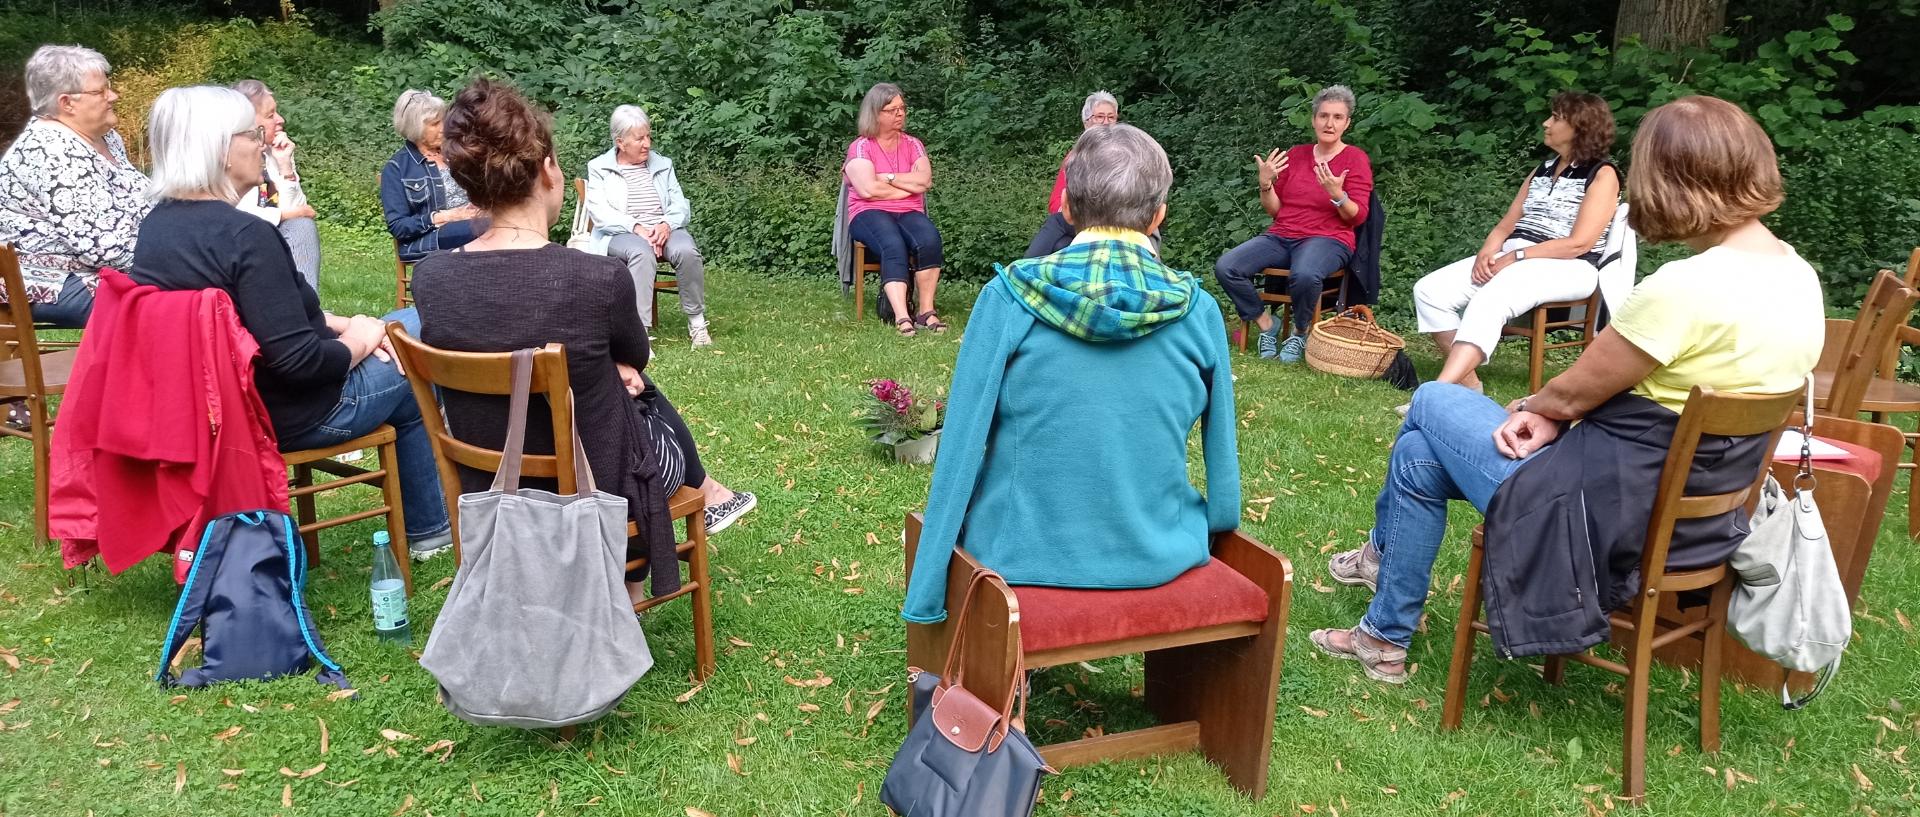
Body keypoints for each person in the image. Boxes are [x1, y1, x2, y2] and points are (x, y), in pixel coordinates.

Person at [1310, 95, 1824, 684]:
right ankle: (1382, 637)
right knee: (1418, 458)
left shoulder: (1685, 288)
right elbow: (1590, 397)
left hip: (1599, 518)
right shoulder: (1798, 275)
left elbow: (1573, 392)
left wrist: (1538, 408)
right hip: (1699, 521)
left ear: (1672, 181)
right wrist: (1554, 411)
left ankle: (1379, 564)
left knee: (1430, 402)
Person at [411, 78, 756, 606]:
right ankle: (649, 561)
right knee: (636, 386)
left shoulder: (431, 280)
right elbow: (636, 358)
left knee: (619, 379)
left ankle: (627, 577)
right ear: (547, 171)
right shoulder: (596, 279)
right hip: (597, 489)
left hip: (489, 485)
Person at [902, 123, 1239, 623]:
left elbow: (962, 447)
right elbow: (1222, 453)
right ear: (1159, 216)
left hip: (1017, 554)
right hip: (1162, 551)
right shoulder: (1199, 311)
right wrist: (1218, 522)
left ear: (1067, 210)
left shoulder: (1009, 299)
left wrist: (927, 594)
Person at [126, 85, 454, 560]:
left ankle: (430, 521)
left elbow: (251, 317)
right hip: (291, 413)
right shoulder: (245, 234)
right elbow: (302, 363)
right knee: (421, 342)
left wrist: (341, 322)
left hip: (217, 412)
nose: (260, 143)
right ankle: (434, 524)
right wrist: (362, 341)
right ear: (221, 151)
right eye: (250, 133)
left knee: (403, 327)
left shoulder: (159, 226)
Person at [1409, 92, 1621, 396]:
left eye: (1556, 118)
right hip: (1516, 256)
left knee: (1491, 296)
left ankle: (1437, 392)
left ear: (1580, 126)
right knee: (1430, 291)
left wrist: (1516, 256)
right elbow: (1506, 224)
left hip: (1569, 266)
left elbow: (1579, 243)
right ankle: (1469, 385)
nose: (1546, 123)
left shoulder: (1603, 174)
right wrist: (1488, 250)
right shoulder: (1542, 170)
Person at [1213, 85, 1374, 362]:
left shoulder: (1355, 159)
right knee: (1227, 267)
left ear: (1347, 123)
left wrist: (1338, 195)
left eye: (1337, 117)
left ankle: (1300, 332)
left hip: (1330, 239)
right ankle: (1266, 324)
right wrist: (1265, 184)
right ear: (1313, 119)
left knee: (1305, 274)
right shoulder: (1297, 155)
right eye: (1323, 116)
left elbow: (1357, 216)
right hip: (1283, 234)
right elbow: (1275, 211)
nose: (1329, 123)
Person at [0, 44, 151, 328]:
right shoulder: (50, 151)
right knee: (170, 306)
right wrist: (177, 262)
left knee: (196, 293)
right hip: (50, 280)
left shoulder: (106, 138)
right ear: (67, 103)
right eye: (101, 91)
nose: (113, 96)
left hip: (104, 267)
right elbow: (101, 247)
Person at [584, 105, 712, 346]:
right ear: (621, 142)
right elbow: (600, 213)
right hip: (622, 232)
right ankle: (639, 335)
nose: (647, 144)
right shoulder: (599, 167)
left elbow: (680, 205)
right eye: (639, 138)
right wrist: (637, 228)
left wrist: (666, 224)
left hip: (665, 229)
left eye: (648, 136)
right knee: (641, 254)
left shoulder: (663, 164)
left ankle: (697, 322)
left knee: (687, 251)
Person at [844, 82, 946, 336]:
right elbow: (867, 190)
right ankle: (902, 316)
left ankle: (926, 311)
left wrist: (886, 177)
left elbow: (924, 181)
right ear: (876, 113)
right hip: (867, 213)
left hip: (908, 211)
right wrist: (906, 184)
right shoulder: (860, 147)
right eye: (892, 110)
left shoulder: (913, 144)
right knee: (892, 243)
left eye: (902, 108)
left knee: (929, 239)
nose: (900, 114)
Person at [231, 79, 323, 291]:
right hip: (240, 245)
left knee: (302, 227)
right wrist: (285, 215)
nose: (280, 120)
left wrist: (285, 167)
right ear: (247, 121)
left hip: (268, 241)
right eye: (270, 115)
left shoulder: (271, 154)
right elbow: (234, 215)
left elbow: (300, 211)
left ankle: (308, 306)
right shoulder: (228, 160)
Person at [379, 89, 484, 262]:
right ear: (416, 128)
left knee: (514, 221)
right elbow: (398, 226)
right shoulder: (396, 168)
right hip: (429, 238)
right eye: (435, 124)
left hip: (473, 224)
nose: (444, 128)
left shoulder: (457, 154)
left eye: (444, 120)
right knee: (491, 229)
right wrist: (447, 216)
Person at [1023, 90, 1119, 259]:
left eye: (1111, 117)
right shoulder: (1075, 155)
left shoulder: (1123, 153)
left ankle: (1021, 273)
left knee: (1056, 222)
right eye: (1100, 117)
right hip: (1082, 219)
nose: (1106, 122)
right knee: (1061, 244)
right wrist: (1070, 208)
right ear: (1086, 122)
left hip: (1114, 219)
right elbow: (1054, 202)